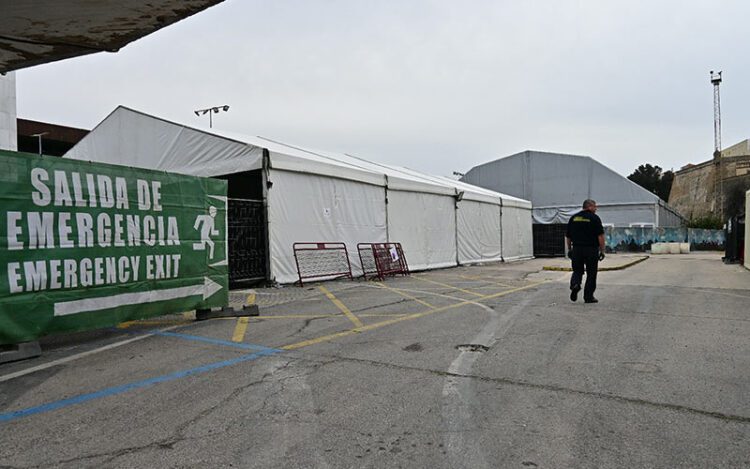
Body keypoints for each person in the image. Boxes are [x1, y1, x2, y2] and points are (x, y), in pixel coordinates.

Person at [565, 199, 606, 303]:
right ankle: (588, 297)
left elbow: (568, 236)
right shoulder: (595, 218)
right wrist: (602, 251)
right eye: (595, 206)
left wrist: (569, 249)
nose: (596, 209)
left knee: (577, 270)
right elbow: (600, 236)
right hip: (591, 249)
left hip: (577, 249)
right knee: (591, 273)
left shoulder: (574, 218)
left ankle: (575, 284)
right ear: (589, 206)